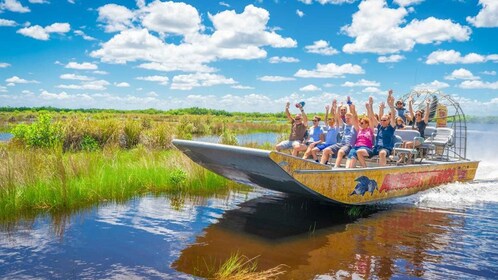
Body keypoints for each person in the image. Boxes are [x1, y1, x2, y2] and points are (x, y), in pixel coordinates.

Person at [320, 97, 356, 167]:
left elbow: (354, 115)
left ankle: (336, 168)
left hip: (349, 145)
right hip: (341, 143)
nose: (347, 119)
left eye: (349, 118)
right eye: (346, 118)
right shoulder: (344, 125)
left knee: (341, 152)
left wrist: (349, 104)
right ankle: (321, 166)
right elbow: (337, 116)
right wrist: (338, 107)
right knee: (325, 150)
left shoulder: (354, 126)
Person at [397, 96, 431, 163]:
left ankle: (409, 159)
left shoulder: (423, 122)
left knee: (407, 144)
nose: (416, 116)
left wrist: (427, 104)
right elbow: (411, 110)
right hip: (413, 138)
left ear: (421, 116)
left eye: (418, 115)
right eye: (416, 114)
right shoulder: (414, 120)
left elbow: (427, 114)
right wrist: (409, 102)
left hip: (420, 139)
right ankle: (402, 158)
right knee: (403, 143)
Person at [345, 99, 375, 168]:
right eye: (360, 123)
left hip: (366, 148)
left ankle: (365, 168)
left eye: (362, 123)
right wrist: (351, 107)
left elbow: (371, 118)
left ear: (367, 124)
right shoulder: (359, 130)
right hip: (356, 147)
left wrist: (369, 108)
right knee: (351, 155)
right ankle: (348, 171)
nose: (360, 124)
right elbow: (354, 118)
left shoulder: (370, 130)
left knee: (359, 152)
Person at [371, 90, 397, 166]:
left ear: (389, 120)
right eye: (381, 120)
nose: (382, 121)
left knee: (382, 153)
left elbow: (393, 115)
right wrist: (371, 105)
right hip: (376, 148)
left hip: (385, 149)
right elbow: (372, 117)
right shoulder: (380, 126)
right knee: (359, 152)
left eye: (384, 120)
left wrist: (391, 105)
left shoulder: (391, 127)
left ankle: (381, 170)